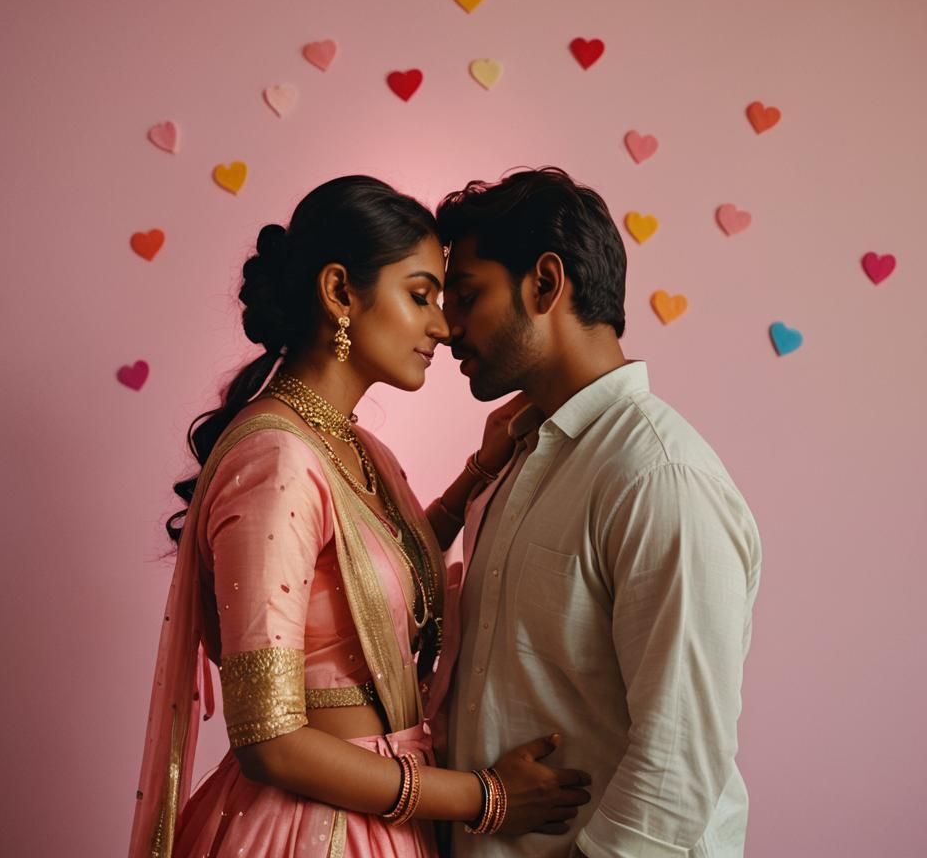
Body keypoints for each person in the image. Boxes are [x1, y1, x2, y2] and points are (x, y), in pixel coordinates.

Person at [128, 175, 592, 858]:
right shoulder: (277, 459)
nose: (443, 325)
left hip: (378, 819)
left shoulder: (351, 446)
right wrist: (484, 798)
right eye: (420, 295)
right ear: (341, 292)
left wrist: (477, 475)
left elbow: (372, 583)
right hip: (305, 830)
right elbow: (269, 741)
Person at [426, 167, 763, 858]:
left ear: (545, 284)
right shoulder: (515, 457)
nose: (447, 326)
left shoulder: (658, 476)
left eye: (466, 295)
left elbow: (680, 755)